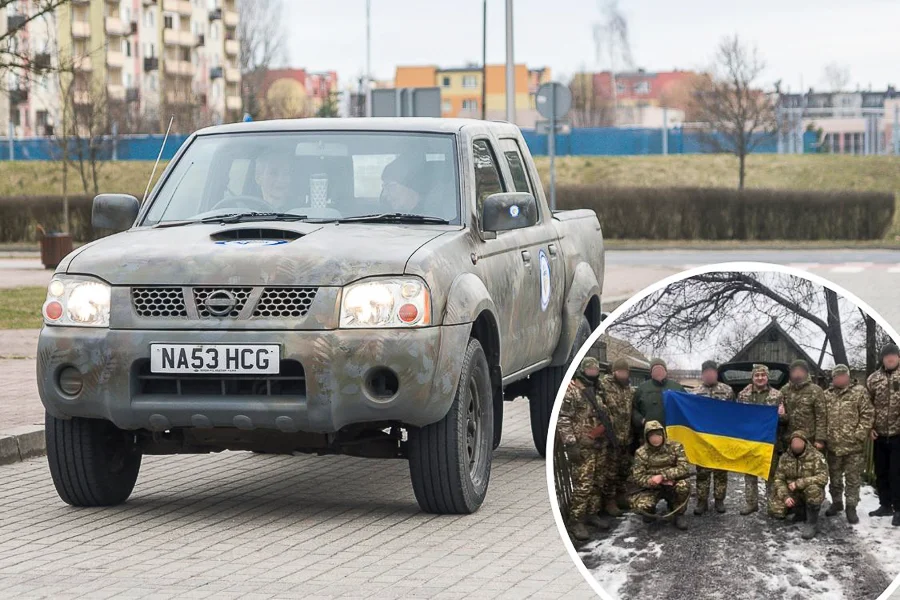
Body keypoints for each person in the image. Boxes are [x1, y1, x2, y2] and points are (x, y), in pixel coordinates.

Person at [558, 357, 613, 540]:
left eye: (595, 369)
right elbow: (563, 418)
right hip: (583, 445)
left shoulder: (599, 390)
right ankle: (576, 521)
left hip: (600, 443)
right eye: (589, 369)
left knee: (598, 481)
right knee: (583, 485)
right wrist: (571, 443)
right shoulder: (573, 391)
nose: (593, 371)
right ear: (583, 369)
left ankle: (592, 513)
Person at [822, 364, 874, 524]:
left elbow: (868, 414)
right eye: (837, 376)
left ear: (848, 376)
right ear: (833, 378)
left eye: (843, 375)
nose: (840, 378)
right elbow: (821, 417)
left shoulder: (859, 392)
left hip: (853, 447)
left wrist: (859, 435)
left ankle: (851, 507)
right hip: (833, 446)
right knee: (835, 478)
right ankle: (837, 503)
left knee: (853, 479)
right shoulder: (826, 395)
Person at [737, 364, 786, 515]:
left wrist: (782, 415)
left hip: (769, 442)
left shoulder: (777, 395)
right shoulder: (742, 395)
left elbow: (785, 421)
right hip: (750, 442)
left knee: (770, 475)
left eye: (763, 375)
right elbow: (737, 418)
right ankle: (751, 504)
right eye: (757, 375)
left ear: (767, 377)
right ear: (752, 377)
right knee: (750, 474)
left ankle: (772, 504)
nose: (760, 378)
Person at [629, 420, 691, 530]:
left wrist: (663, 476)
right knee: (641, 506)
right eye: (651, 436)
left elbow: (684, 467)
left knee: (683, 486)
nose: (655, 438)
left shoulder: (675, 447)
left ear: (663, 435)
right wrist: (652, 480)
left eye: (658, 435)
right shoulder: (641, 453)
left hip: (672, 483)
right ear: (646, 437)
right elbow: (637, 476)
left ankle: (678, 513)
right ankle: (650, 511)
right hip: (652, 487)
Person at [691, 360, 735, 515]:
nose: (709, 374)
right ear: (702, 374)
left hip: (721, 438)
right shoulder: (694, 393)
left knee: (721, 471)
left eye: (712, 372)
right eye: (706, 372)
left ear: (716, 373)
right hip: (702, 439)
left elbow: (734, 414)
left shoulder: (727, 390)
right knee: (702, 472)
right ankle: (702, 501)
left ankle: (719, 500)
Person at [769, 430, 829, 539]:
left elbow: (823, 478)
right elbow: (779, 478)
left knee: (813, 489)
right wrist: (785, 496)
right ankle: (800, 511)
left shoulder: (816, 456)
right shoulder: (785, 457)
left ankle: (811, 523)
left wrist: (800, 483)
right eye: (793, 442)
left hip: (808, 490)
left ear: (804, 443)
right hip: (792, 491)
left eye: (798, 442)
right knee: (775, 510)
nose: (796, 445)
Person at [866, 343, 900, 526]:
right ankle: (885, 505)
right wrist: (870, 427)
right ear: (882, 359)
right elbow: (867, 404)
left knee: (897, 473)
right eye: (887, 356)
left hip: (898, 434)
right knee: (881, 472)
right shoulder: (874, 378)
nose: (890, 359)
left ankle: (899, 508)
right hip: (879, 434)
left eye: (893, 355)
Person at [598, 358, 636, 518]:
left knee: (624, 468)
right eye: (620, 371)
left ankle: (621, 496)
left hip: (626, 436)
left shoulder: (629, 389)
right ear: (614, 372)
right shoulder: (604, 386)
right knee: (610, 471)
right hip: (611, 438)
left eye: (625, 371)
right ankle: (609, 501)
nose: (623, 374)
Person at [780, 359, 826, 453]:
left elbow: (821, 416)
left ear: (806, 373)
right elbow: (781, 414)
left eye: (801, 371)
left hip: (810, 439)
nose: (797, 374)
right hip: (789, 439)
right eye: (794, 371)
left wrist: (820, 439)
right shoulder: (784, 390)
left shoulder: (816, 390)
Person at [631, 358, 686, 430]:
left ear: (666, 372)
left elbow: (686, 405)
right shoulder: (642, 388)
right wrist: (641, 420)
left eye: (661, 369)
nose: (658, 372)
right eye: (655, 370)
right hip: (650, 433)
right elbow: (634, 408)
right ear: (651, 373)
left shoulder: (677, 387)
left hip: (673, 431)